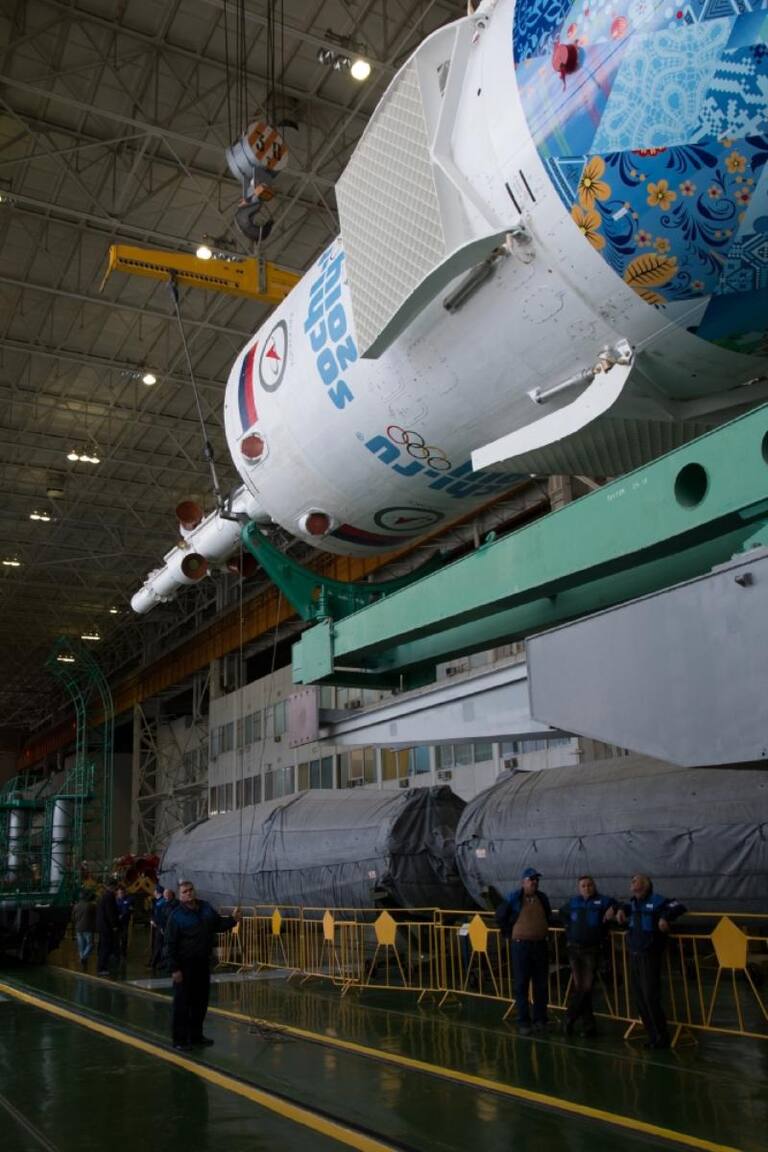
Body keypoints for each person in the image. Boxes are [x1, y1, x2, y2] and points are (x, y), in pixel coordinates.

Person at [164, 880, 240, 1050]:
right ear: (180, 896)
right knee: (182, 1004)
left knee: (200, 1002)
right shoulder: (176, 916)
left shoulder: (205, 908)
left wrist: (233, 920)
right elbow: (169, 944)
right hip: (184, 966)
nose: (189, 893)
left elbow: (217, 924)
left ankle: (196, 1036)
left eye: (190, 890)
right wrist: (174, 969)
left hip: (202, 964)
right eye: (184, 892)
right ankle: (179, 1040)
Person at [616, 874, 686, 1049]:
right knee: (639, 997)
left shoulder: (657, 901)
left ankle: (662, 1037)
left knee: (650, 997)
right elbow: (622, 906)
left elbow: (678, 906)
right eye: (632, 880)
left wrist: (665, 917)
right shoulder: (633, 903)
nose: (632, 882)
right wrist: (619, 910)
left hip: (649, 955)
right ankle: (652, 1035)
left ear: (646, 885)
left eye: (636, 880)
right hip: (634, 954)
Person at [496, 867, 554, 1035]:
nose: (534, 882)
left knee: (541, 984)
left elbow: (548, 915)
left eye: (536, 879)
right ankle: (524, 1021)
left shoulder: (542, 898)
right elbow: (500, 915)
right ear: (523, 882)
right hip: (521, 946)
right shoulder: (514, 897)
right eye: (531, 879)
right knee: (521, 984)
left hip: (540, 946)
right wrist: (509, 932)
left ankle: (540, 1019)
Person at [560, 875, 619, 1037]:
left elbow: (619, 904)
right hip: (574, 949)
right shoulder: (574, 902)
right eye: (583, 886)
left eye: (589, 885)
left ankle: (569, 1017)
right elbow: (562, 913)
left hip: (591, 950)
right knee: (581, 988)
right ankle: (589, 1026)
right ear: (579, 888)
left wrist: (613, 909)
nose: (587, 888)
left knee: (585, 987)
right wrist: (569, 928)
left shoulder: (602, 901)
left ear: (594, 886)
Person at [95, 880, 119, 976]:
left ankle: (101, 966)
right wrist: (114, 925)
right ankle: (102, 968)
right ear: (112, 887)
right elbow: (110, 912)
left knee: (102, 946)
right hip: (107, 926)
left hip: (101, 926)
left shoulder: (103, 896)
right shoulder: (109, 897)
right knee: (106, 947)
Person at [72, 888, 97, 968]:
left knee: (81, 946)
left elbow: (73, 918)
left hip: (78, 928)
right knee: (90, 944)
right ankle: (84, 958)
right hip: (88, 928)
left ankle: (83, 960)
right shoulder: (91, 906)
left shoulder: (76, 906)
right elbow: (96, 916)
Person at [115, 885, 133, 960]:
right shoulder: (115, 900)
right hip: (117, 922)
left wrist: (123, 914)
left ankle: (123, 953)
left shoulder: (129, 899)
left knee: (124, 938)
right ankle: (117, 952)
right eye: (119, 893)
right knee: (116, 938)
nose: (120, 894)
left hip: (125, 922)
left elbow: (129, 909)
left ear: (125, 892)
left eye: (122, 893)